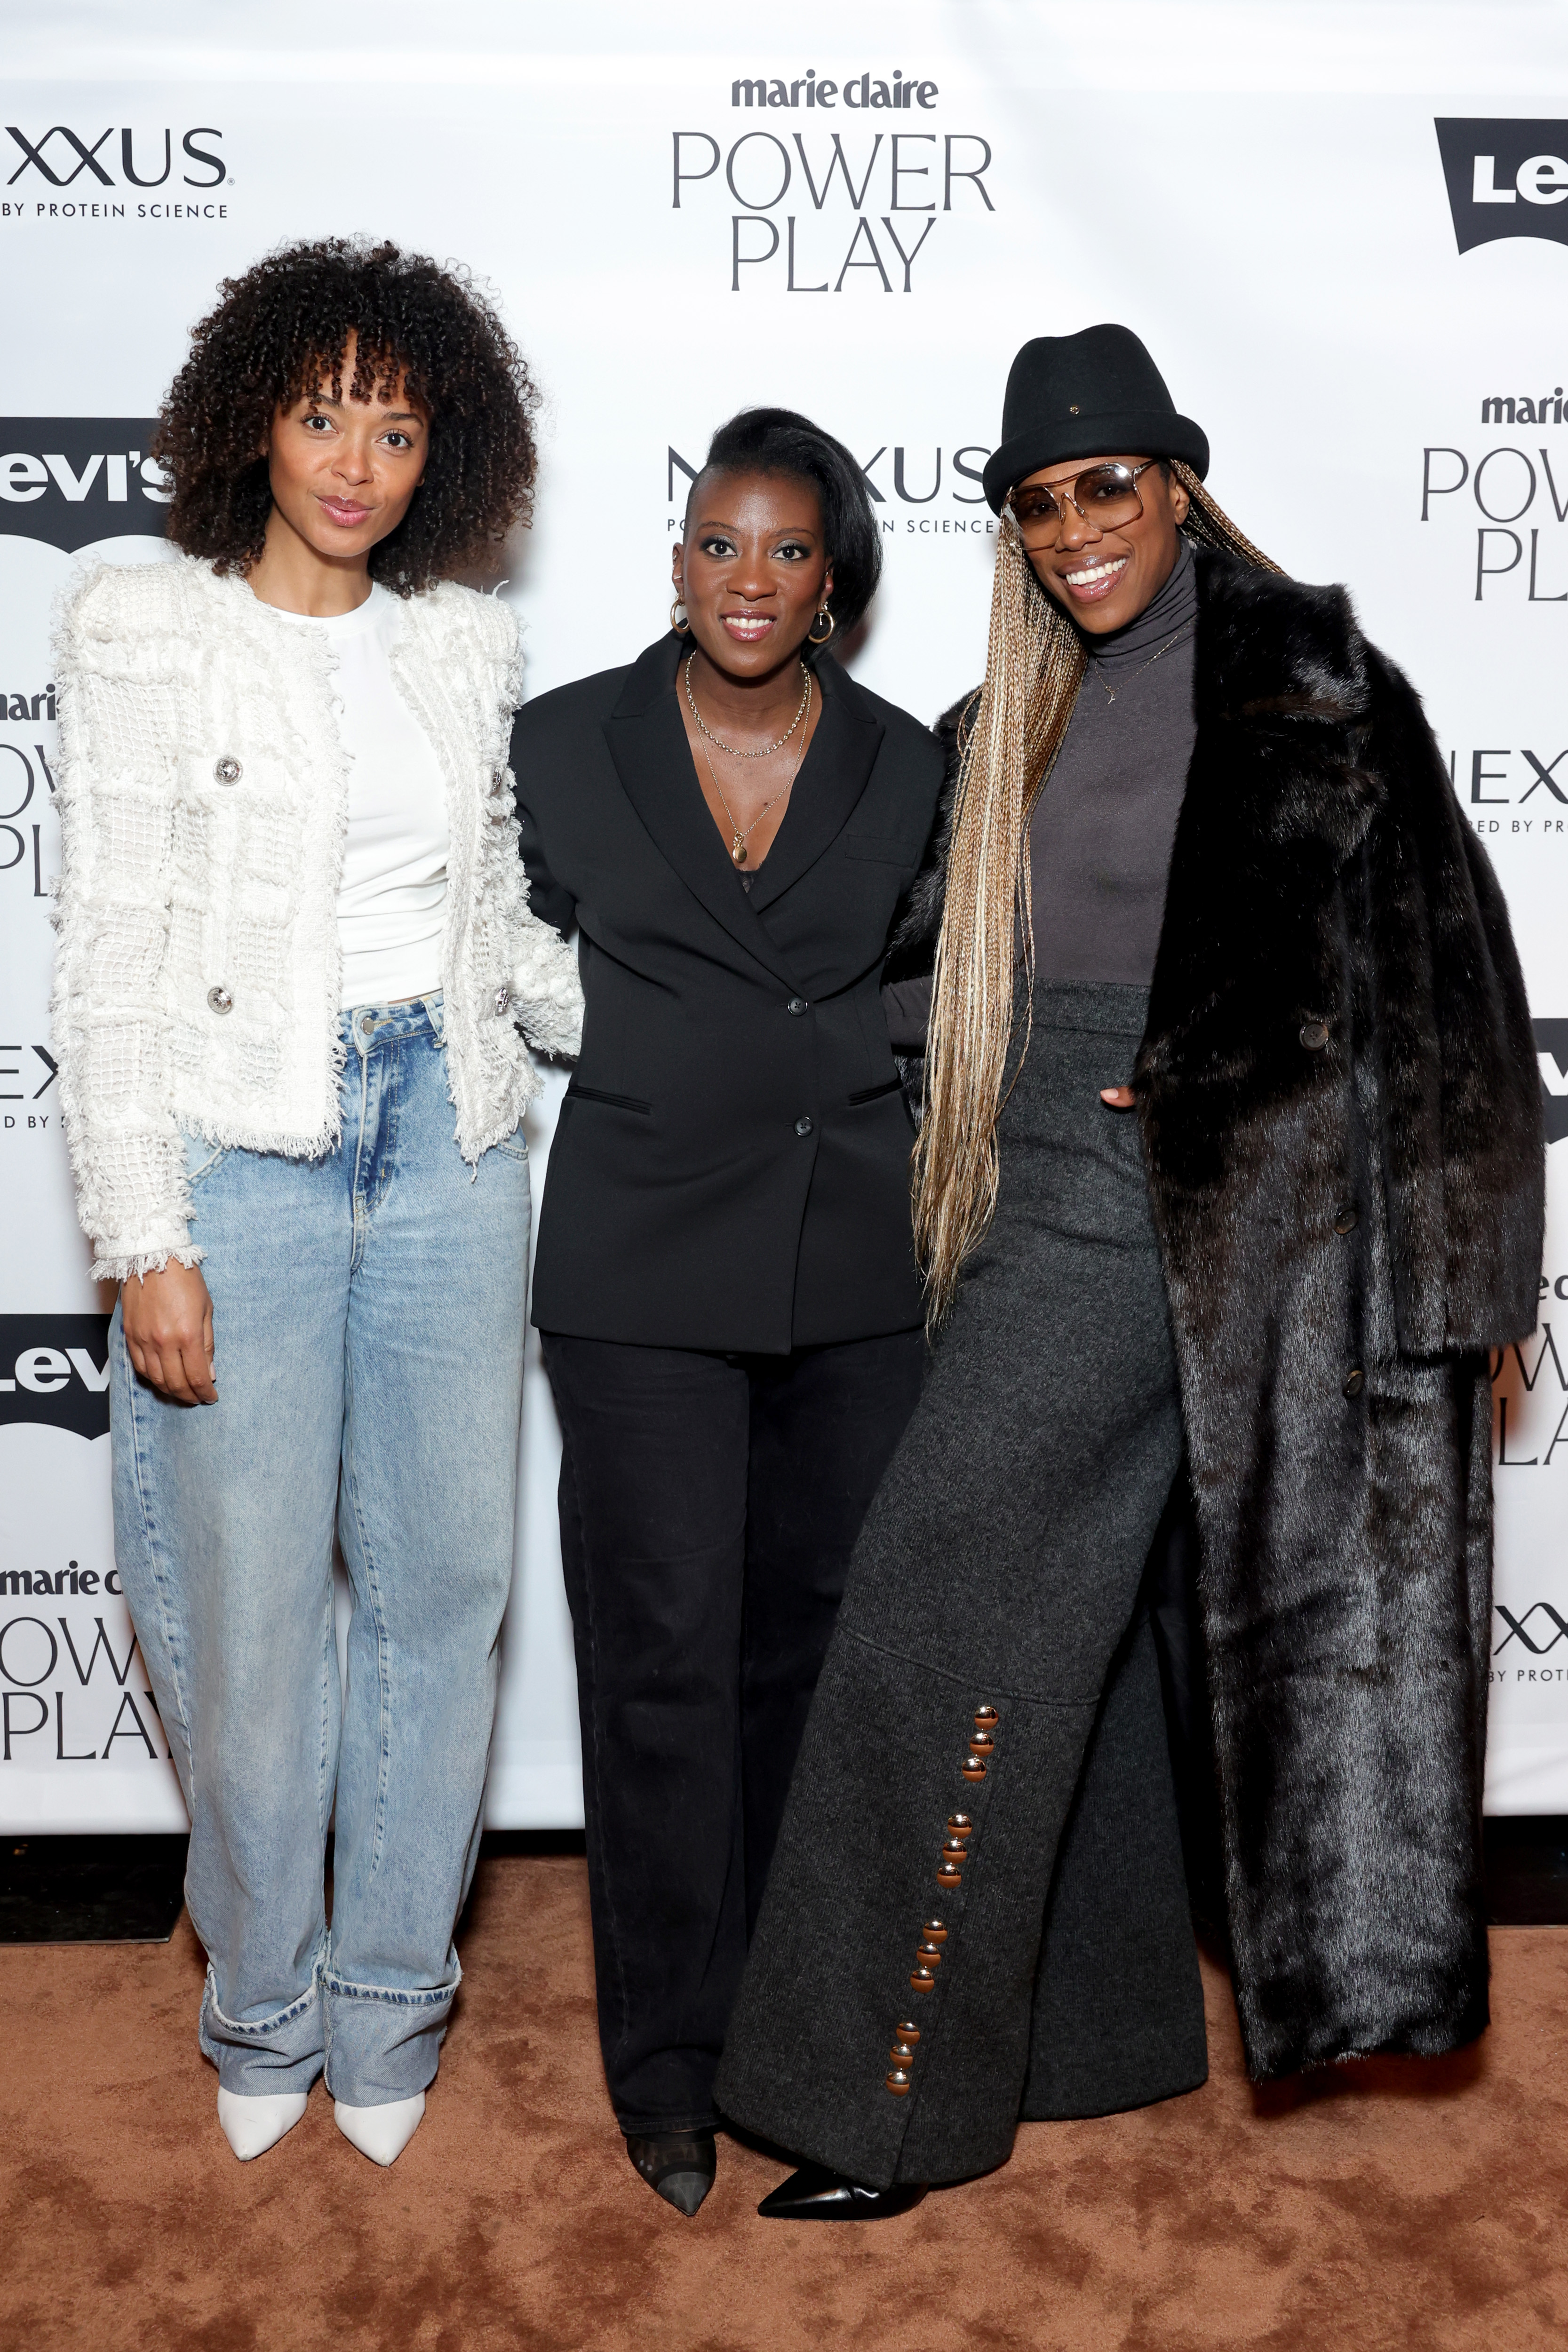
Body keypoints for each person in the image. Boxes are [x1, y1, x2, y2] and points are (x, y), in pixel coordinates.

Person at [716, 324, 1545, 2216]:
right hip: (1040, 1184)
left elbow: (1446, 966)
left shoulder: (1317, 682)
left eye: (1107, 485)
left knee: (944, 1611)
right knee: (1051, 1626)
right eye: (1039, 503)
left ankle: (870, 2107)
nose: (1077, 528)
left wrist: (1478, 1261)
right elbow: (926, 957)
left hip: (1210, 1192)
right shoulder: (1018, 713)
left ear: (1176, 481)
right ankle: (1090, 2041)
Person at [51, 238, 581, 2169]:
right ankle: (260, 1993)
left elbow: (501, 917)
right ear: (250, 420)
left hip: (448, 1129)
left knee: (447, 1585)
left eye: (397, 421)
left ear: (443, 446)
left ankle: (392, 1996)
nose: (358, 458)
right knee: (252, 1612)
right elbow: (107, 951)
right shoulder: (139, 628)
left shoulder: (461, 639)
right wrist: (142, 1231)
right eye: (321, 412)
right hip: (240, 1153)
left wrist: (694, 1001)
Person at [509, 407, 945, 2216]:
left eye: (782, 550)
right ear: (676, 556)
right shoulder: (564, 746)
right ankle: (670, 2069)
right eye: (714, 541)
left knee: (818, 1672)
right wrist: (637, 1043)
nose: (745, 578)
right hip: (641, 1266)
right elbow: (493, 949)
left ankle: (792, 2038)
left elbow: (943, 986)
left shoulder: (911, 762)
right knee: (665, 1661)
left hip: (854, 1268)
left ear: (832, 575)